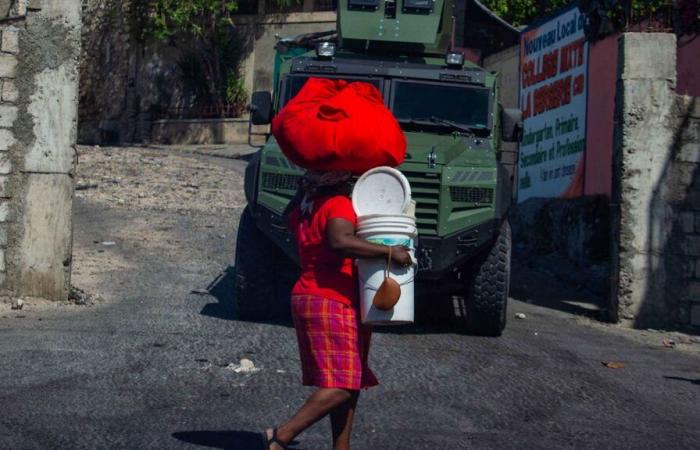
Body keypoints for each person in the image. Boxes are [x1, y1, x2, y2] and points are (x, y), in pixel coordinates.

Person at [263, 170, 412, 450]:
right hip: (332, 297)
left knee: (347, 381)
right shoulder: (337, 204)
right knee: (345, 382)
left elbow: (288, 218)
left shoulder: (306, 204)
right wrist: (390, 252)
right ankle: (280, 436)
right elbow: (339, 242)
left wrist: (302, 188)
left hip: (312, 294)